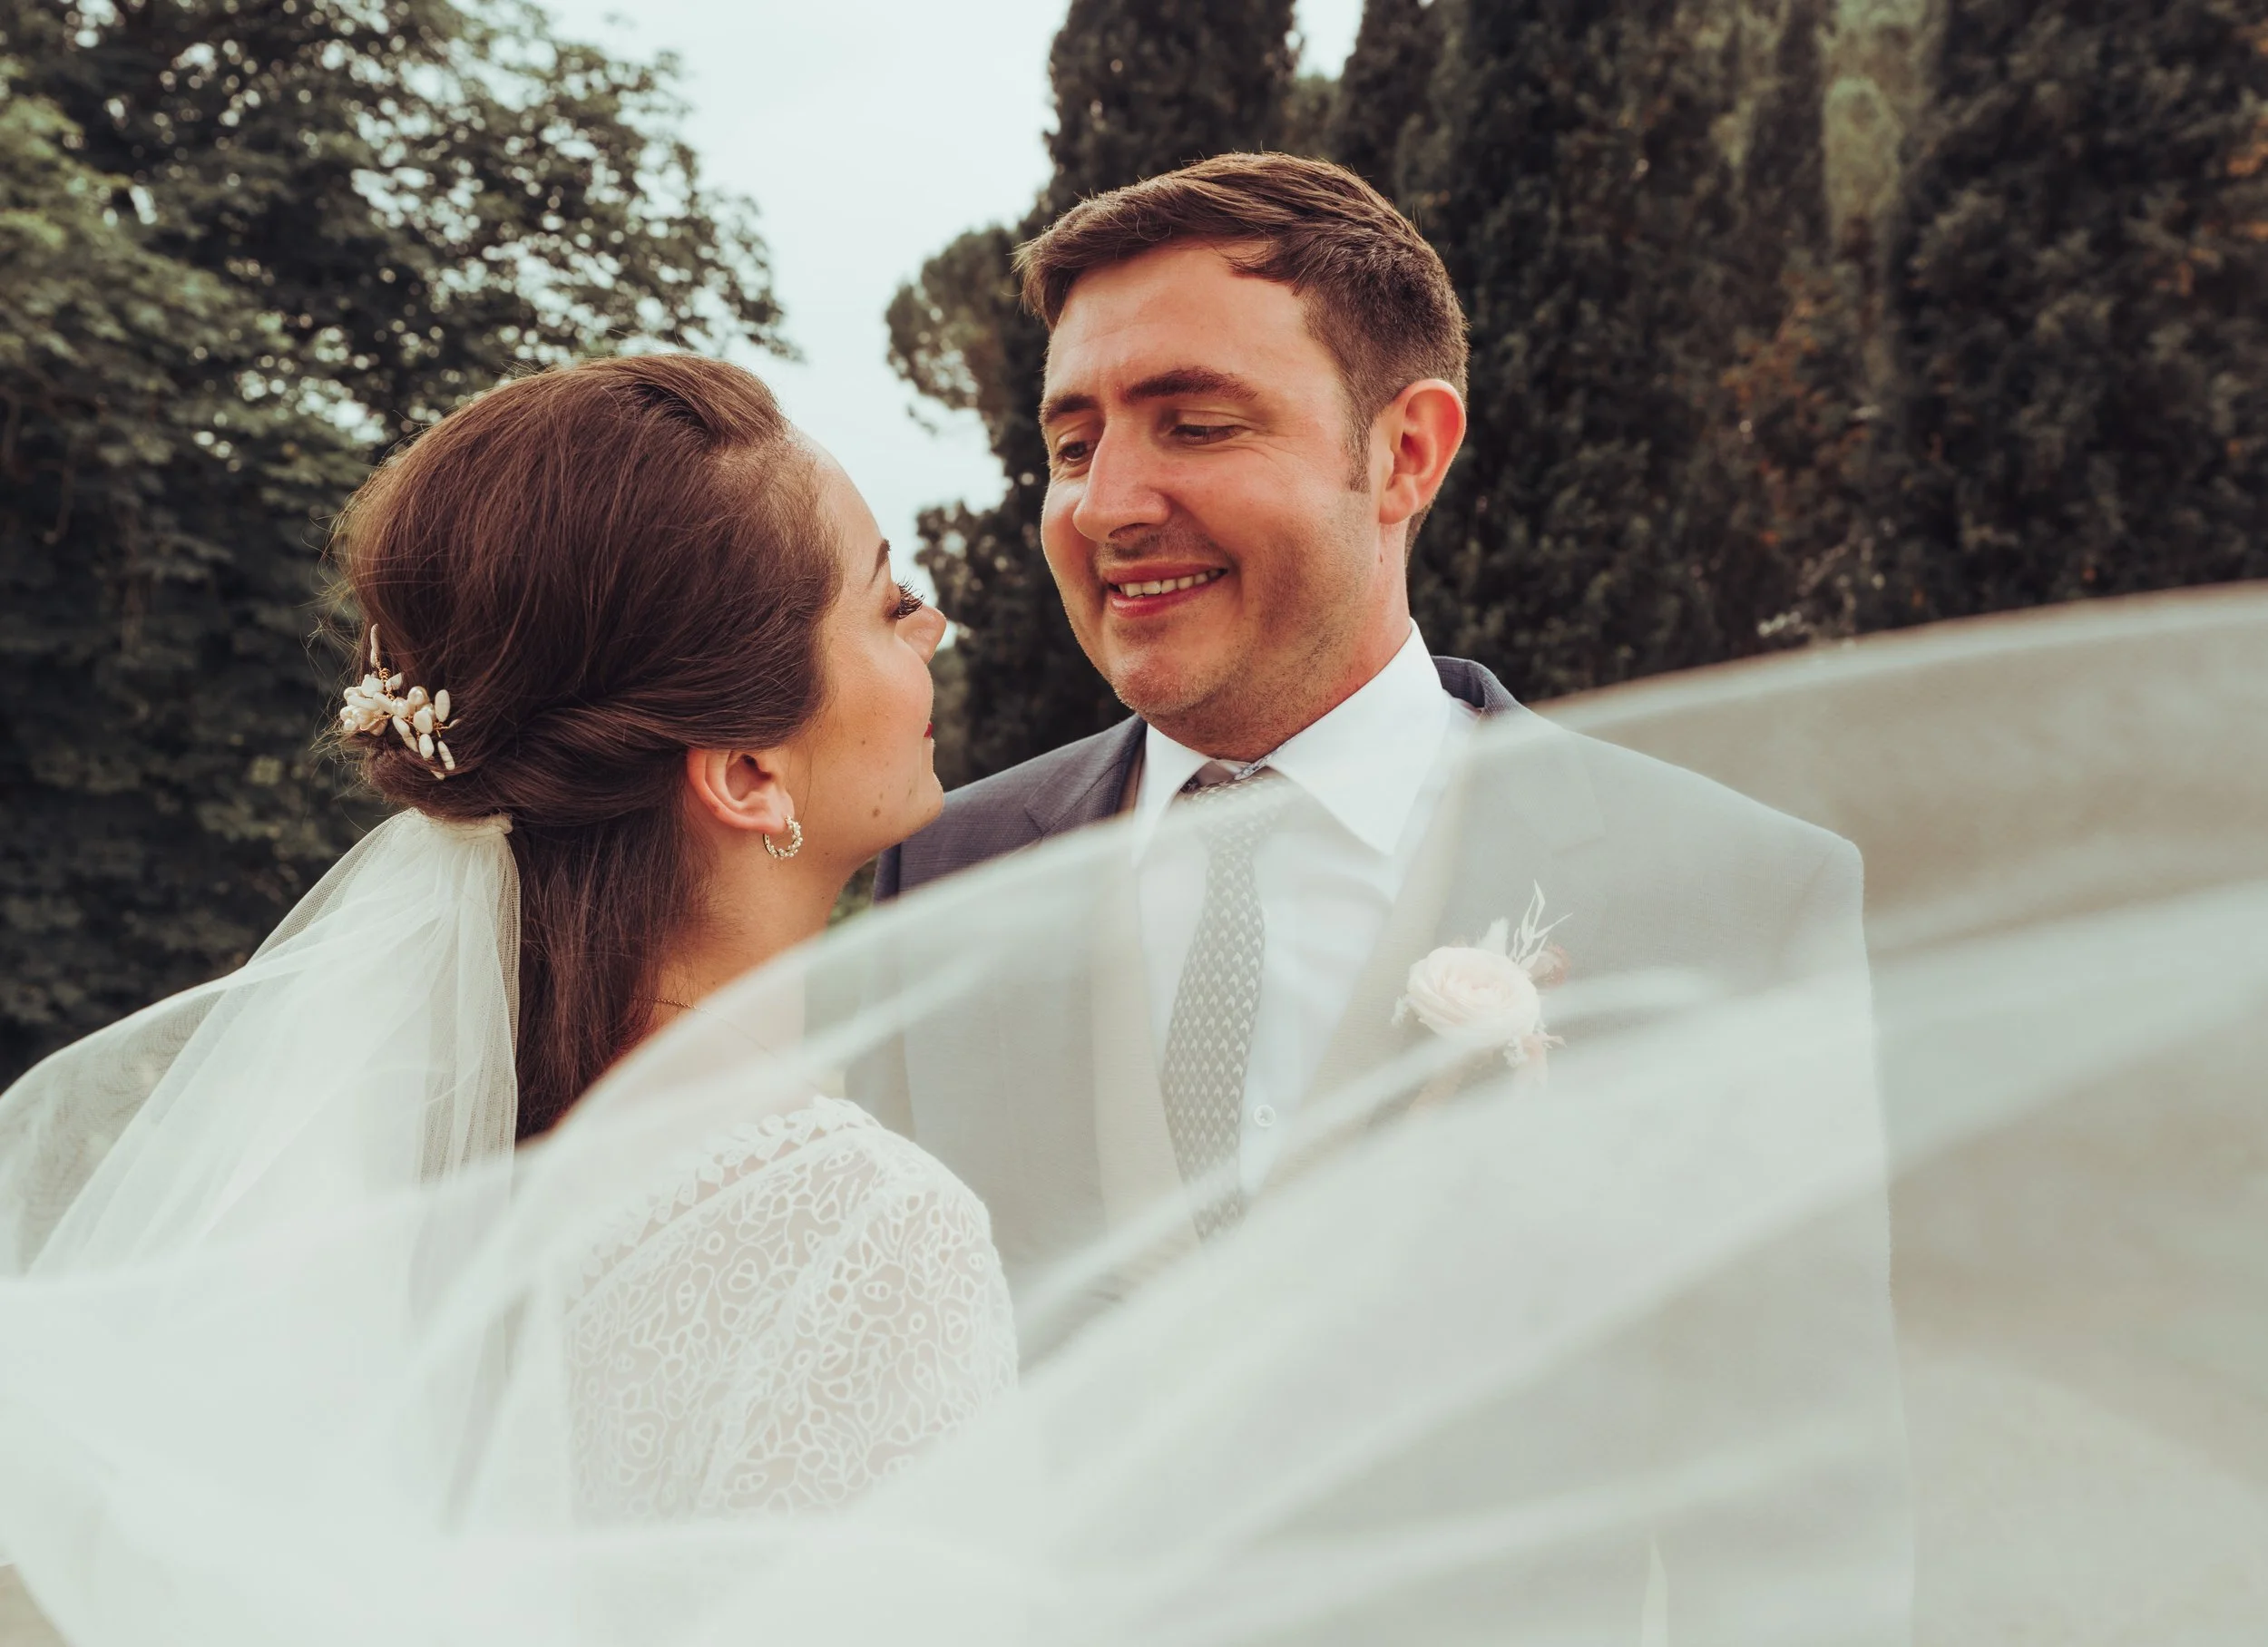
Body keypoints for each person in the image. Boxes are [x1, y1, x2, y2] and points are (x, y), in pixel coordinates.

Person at [866, 152, 1911, 1637]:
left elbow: (1800, 1516)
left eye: (1196, 424)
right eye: (1074, 442)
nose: (1107, 505)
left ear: (1408, 452)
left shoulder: (1726, 891)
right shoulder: (945, 873)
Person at [0, 354, 1015, 1519]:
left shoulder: (393, 1201)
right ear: (746, 773)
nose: (932, 626)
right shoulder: (867, 1230)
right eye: (888, 604)